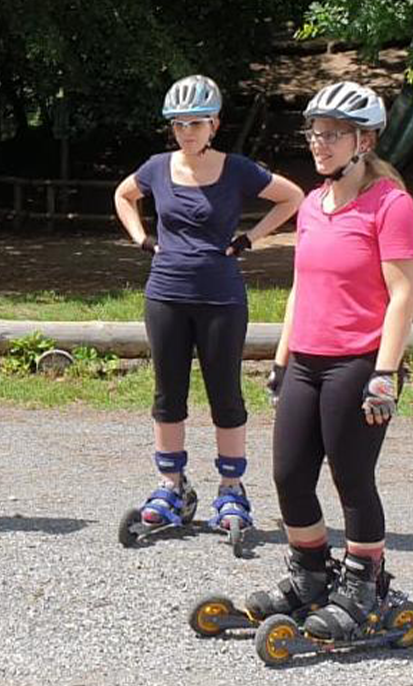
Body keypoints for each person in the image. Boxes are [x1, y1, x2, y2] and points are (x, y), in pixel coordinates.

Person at [244, 81, 413, 641]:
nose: (318, 143)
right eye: (314, 132)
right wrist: (281, 356)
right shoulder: (314, 206)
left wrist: (385, 374)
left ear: (363, 140)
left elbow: (402, 294)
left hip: (359, 363)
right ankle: (310, 575)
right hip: (306, 361)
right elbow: (302, 285)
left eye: (332, 134)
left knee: (351, 477)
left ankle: (363, 584)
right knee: (289, 474)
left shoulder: (392, 206)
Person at [114, 74, 304, 539]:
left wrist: (250, 239)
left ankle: (231, 488)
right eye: (179, 125)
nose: (187, 133)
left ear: (215, 124)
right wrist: (143, 239)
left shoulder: (237, 169)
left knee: (225, 394)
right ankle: (170, 486)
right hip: (166, 295)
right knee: (168, 392)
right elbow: (123, 195)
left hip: (221, 296)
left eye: (196, 123)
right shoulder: (158, 167)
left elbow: (293, 197)